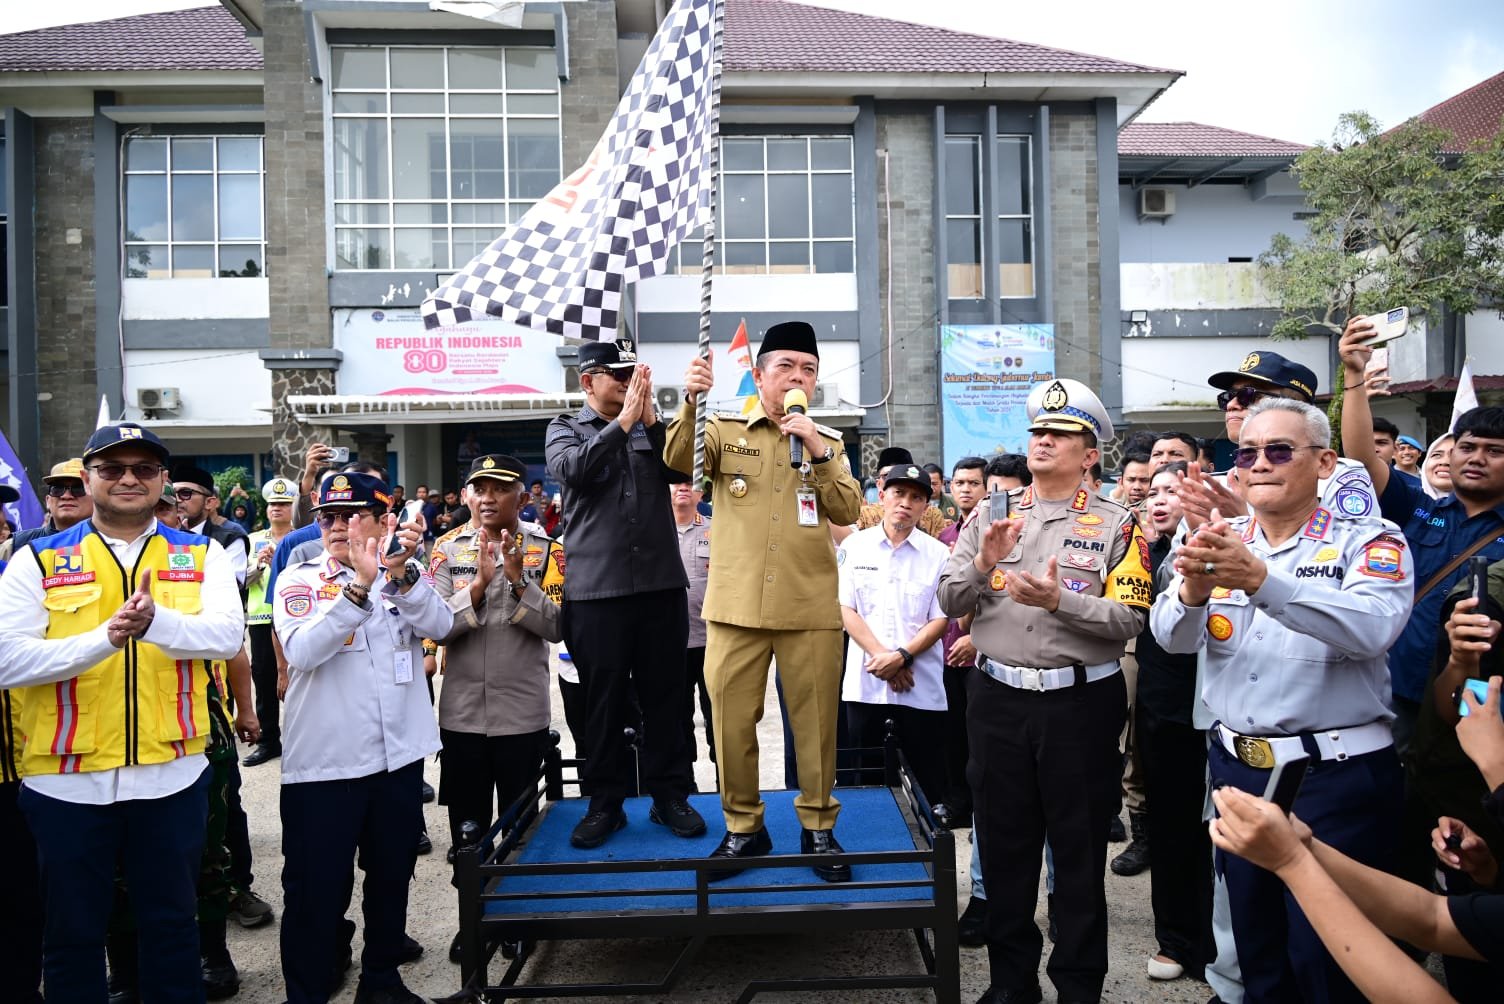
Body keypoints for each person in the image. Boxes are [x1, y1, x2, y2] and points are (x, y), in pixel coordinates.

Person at [1151, 396, 1413, 1004]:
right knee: (1256, 947)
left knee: (1327, 956)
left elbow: (1373, 628)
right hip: (1237, 770)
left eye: (1278, 451)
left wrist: (1263, 582)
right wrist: (1191, 589)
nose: (1259, 464)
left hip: (1334, 777)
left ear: (1324, 464)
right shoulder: (1223, 537)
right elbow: (1171, 638)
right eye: (1247, 452)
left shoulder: (1369, 539)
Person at [0, 423, 243, 1003]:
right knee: (72, 936)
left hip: (170, 776)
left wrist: (159, 625)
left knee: (171, 929)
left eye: (143, 469)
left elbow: (228, 634)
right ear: (88, 480)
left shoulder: (200, 552)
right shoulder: (37, 559)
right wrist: (104, 639)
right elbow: (8, 660)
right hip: (66, 783)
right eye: (112, 469)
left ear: (163, 481)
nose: (128, 479)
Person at [938, 378, 1153, 1004]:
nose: (1042, 441)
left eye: (1059, 434)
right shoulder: (990, 515)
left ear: (1090, 455)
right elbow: (949, 599)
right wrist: (982, 564)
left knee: (1079, 852)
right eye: (1037, 431)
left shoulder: (1119, 525)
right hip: (998, 700)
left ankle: (1079, 986)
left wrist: (1062, 601)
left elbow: (1130, 619)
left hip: (1080, 705)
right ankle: (1011, 984)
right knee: (1004, 850)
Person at [666, 320, 863, 880]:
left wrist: (817, 448)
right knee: (730, 724)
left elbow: (848, 511)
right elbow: (680, 462)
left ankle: (819, 827)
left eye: (808, 370)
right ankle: (744, 828)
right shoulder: (724, 429)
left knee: (818, 727)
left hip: (810, 610)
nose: (797, 378)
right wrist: (691, 401)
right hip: (735, 609)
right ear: (759, 375)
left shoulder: (829, 442)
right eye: (785, 368)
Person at [273, 470, 451, 1004]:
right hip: (326, 766)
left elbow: (442, 627)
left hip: (396, 761)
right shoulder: (299, 578)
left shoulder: (402, 575)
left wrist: (399, 575)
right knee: (316, 893)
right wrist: (358, 586)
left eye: (352, 515)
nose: (336, 525)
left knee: (391, 879)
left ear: (383, 520)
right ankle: (306, 992)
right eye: (327, 516)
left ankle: (381, 980)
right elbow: (303, 652)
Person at [546, 339, 704, 849]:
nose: (627, 382)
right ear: (587, 380)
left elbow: (680, 469)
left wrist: (655, 419)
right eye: (616, 374)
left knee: (667, 699)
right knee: (603, 704)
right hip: (597, 592)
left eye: (632, 373)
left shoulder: (648, 427)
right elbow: (573, 471)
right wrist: (622, 425)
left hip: (660, 585)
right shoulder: (564, 428)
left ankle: (669, 796)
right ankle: (605, 803)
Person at [1338, 317, 1504, 757]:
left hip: (1479, 706)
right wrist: (1354, 376)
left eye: (1494, 451)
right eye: (1466, 447)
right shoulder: (1419, 506)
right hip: (1395, 694)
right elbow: (1359, 461)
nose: (1475, 459)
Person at [1133, 462, 1214, 982]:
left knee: (1220, 835)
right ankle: (1176, 939)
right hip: (1167, 709)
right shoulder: (1141, 550)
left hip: (1227, 711)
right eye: (1154, 490)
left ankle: (1222, 950)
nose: (1161, 499)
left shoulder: (1233, 541)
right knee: (1173, 827)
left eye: (1174, 489)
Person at [837, 462, 950, 800]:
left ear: (925, 507)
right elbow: (846, 609)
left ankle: (927, 854)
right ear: (882, 496)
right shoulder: (855, 547)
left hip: (919, 685)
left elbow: (940, 619)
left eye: (916, 497)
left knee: (926, 782)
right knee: (866, 783)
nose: (906, 502)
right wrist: (883, 659)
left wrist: (902, 657)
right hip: (867, 684)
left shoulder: (939, 554)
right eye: (899, 493)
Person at [937, 455, 988, 832]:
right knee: (952, 735)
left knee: (981, 739)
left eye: (974, 482)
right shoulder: (944, 538)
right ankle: (958, 802)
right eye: (960, 483)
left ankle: (983, 808)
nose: (966, 489)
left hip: (982, 658)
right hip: (946, 655)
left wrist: (974, 638)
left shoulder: (995, 536)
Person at [243, 478, 298, 768]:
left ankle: (303, 739)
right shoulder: (252, 540)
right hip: (263, 619)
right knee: (264, 680)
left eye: (284, 504)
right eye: (273, 505)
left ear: (292, 508)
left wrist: (283, 562)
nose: (278, 509)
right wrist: (260, 565)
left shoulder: (300, 538)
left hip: (296, 616)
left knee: (299, 679)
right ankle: (268, 741)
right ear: (266, 510)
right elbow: (241, 580)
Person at [671, 479, 716, 783]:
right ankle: (684, 790)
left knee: (720, 720)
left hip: (715, 643)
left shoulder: (719, 530)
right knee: (677, 721)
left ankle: (727, 785)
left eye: (690, 482)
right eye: (676, 483)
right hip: (670, 645)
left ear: (702, 492)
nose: (683, 488)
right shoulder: (653, 531)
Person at [12, 458, 92, 552]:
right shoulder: (16, 545)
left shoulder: (111, 543)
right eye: (57, 489)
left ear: (96, 498)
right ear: (48, 501)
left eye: (78, 488)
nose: (66, 496)